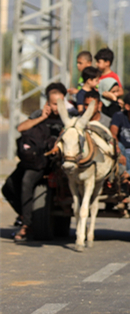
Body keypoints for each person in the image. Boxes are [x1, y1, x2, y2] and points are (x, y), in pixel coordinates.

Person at [9, 83, 67, 242]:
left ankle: (27, 225)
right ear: (48, 103)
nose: (57, 107)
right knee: (8, 186)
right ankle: (27, 215)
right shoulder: (39, 114)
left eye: (60, 103)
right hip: (32, 159)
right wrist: (42, 117)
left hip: (49, 163)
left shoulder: (68, 117)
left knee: (27, 181)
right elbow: (21, 128)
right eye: (54, 104)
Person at [95, 48, 123, 119]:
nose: (96, 64)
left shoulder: (113, 76)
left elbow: (120, 91)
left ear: (107, 63)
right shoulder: (96, 76)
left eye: (99, 62)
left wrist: (111, 95)